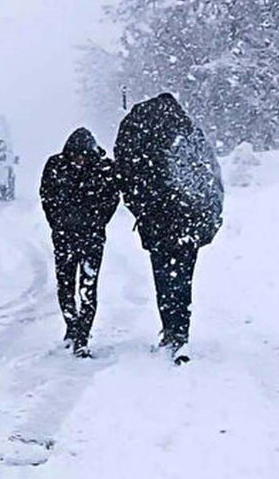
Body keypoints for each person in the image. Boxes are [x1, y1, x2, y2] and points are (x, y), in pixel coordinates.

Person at [114, 93, 223, 362]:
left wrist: (142, 210)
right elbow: (210, 179)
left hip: (158, 225)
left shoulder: (142, 139)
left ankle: (170, 329)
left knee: (164, 279)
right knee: (184, 280)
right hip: (190, 224)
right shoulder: (188, 135)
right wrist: (207, 218)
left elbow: (128, 179)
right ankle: (180, 332)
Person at [39, 128, 120, 357]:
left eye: (83, 156)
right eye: (75, 156)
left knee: (88, 288)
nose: (79, 161)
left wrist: (96, 223)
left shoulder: (104, 169)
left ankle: (82, 335)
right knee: (65, 286)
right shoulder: (56, 166)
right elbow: (47, 197)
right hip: (65, 237)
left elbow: (112, 199)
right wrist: (58, 224)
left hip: (91, 238)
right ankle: (72, 326)